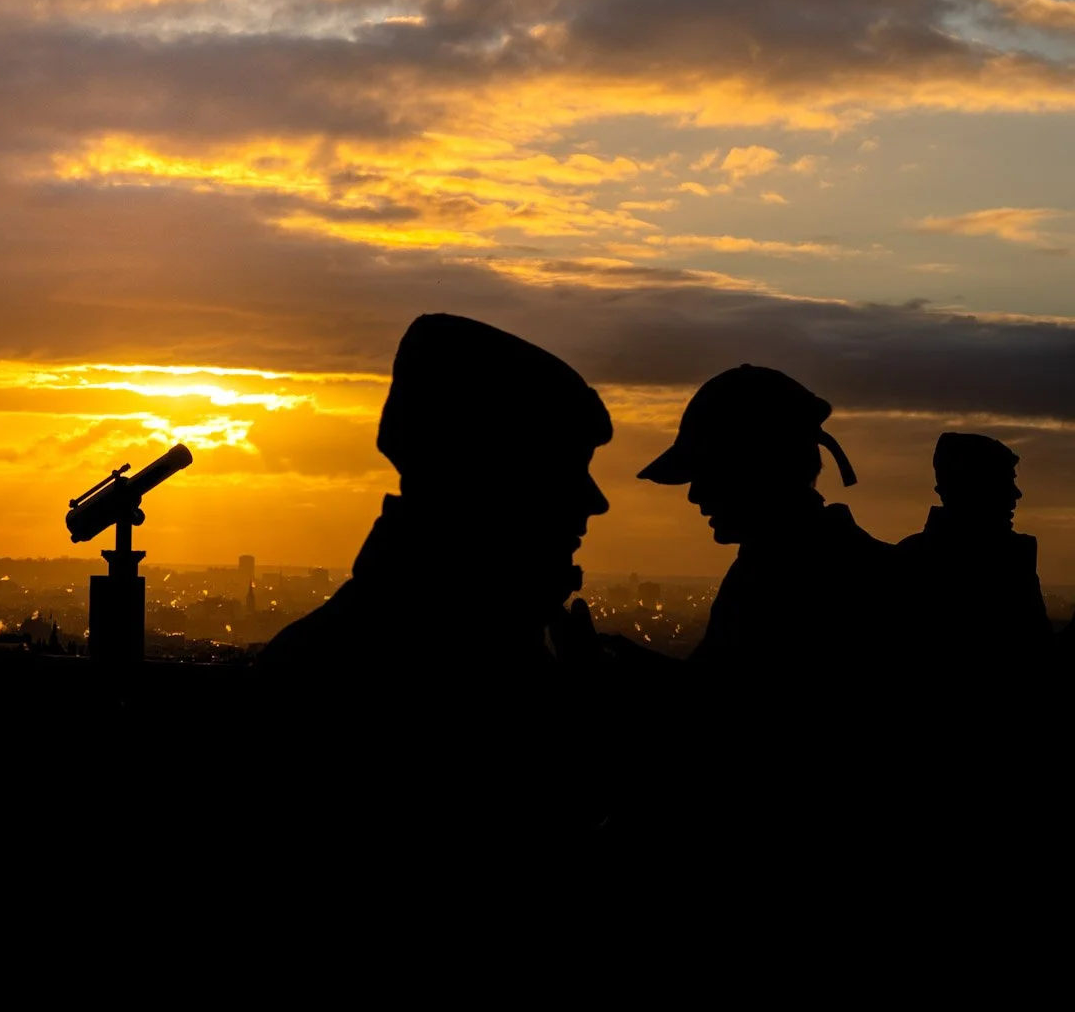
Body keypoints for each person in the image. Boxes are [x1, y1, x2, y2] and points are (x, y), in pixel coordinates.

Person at [255, 314, 616, 832]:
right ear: (491, 477)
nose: (594, 501)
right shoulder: (467, 667)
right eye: (564, 469)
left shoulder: (334, 655)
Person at [638, 365, 892, 688]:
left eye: (709, 474)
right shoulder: (774, 567)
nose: (693, 494)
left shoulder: (796, 581)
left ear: (758, 470)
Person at [895, 433, 1052, 682]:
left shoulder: (909, 557)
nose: (1017, 494)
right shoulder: (1007, 564)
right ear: (973, 487)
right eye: (1004, 482)